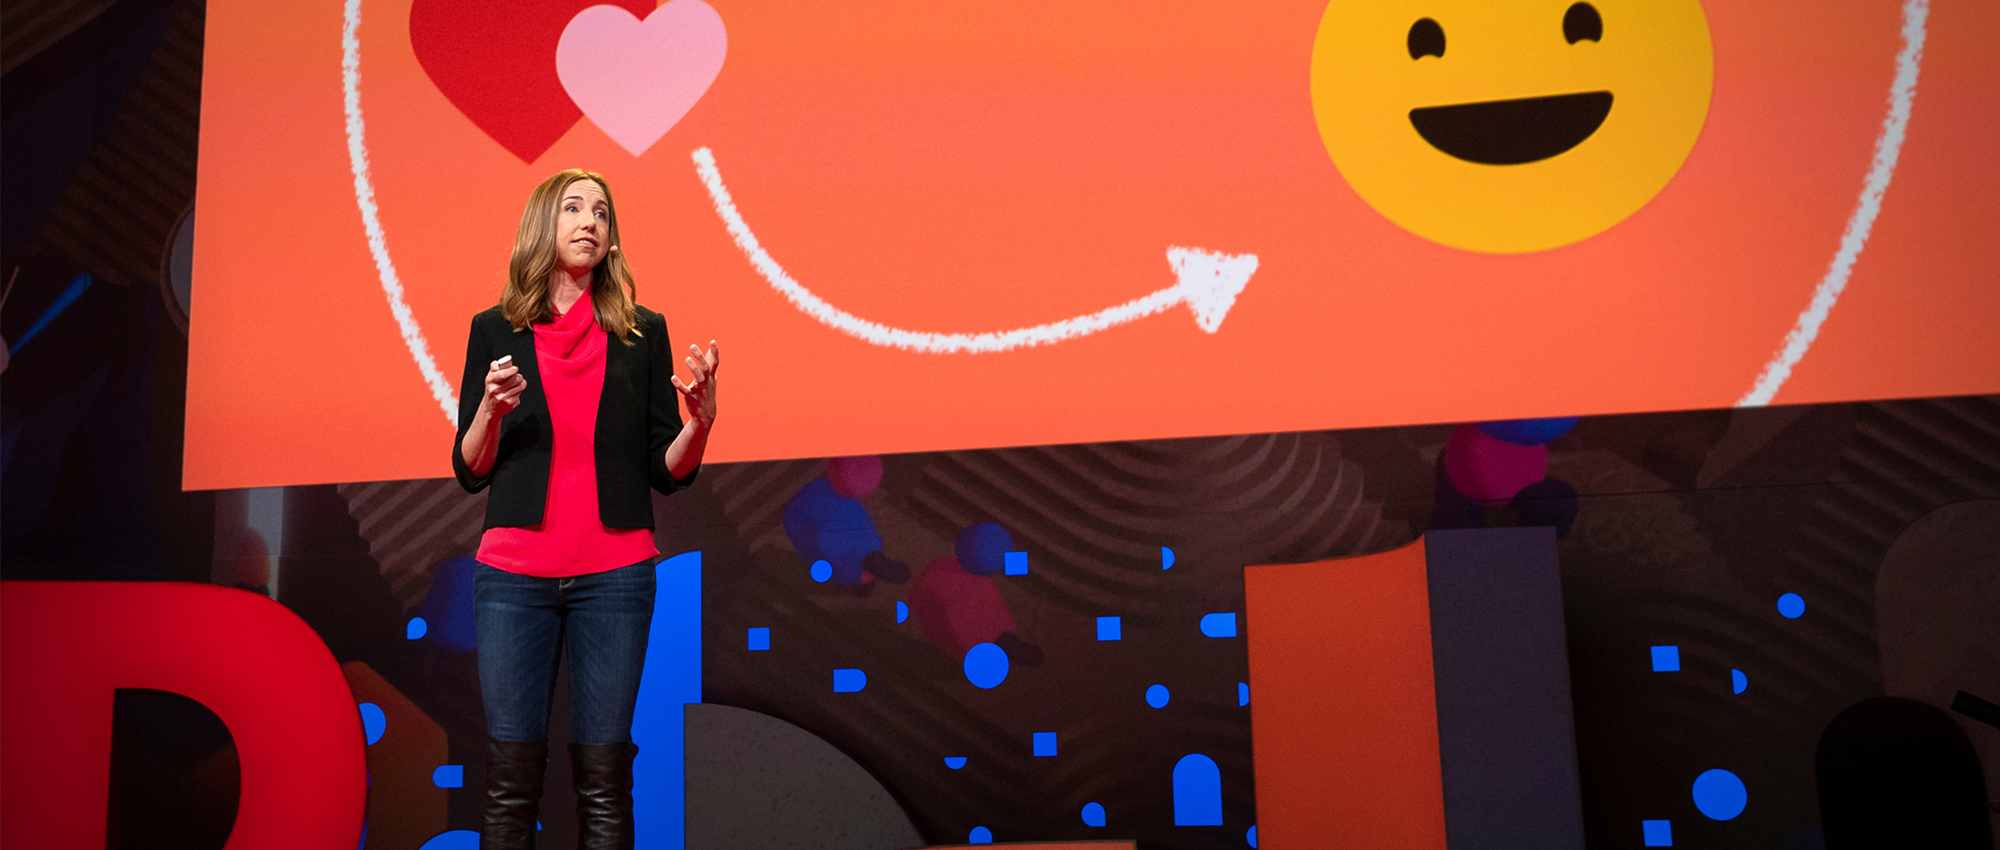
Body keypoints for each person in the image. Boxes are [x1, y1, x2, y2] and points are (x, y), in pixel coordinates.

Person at [452, 169, 718, 849]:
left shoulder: (642, 334)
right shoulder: (494, 331)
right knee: (511, 783)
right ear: (544, 224)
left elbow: (666, 470)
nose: (590, 221)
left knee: (604, 781)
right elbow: (470, 468)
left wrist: (700, 424)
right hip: (514, 578)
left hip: (615, 576)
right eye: (573, 208)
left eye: (601, 212)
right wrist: (490, 409)